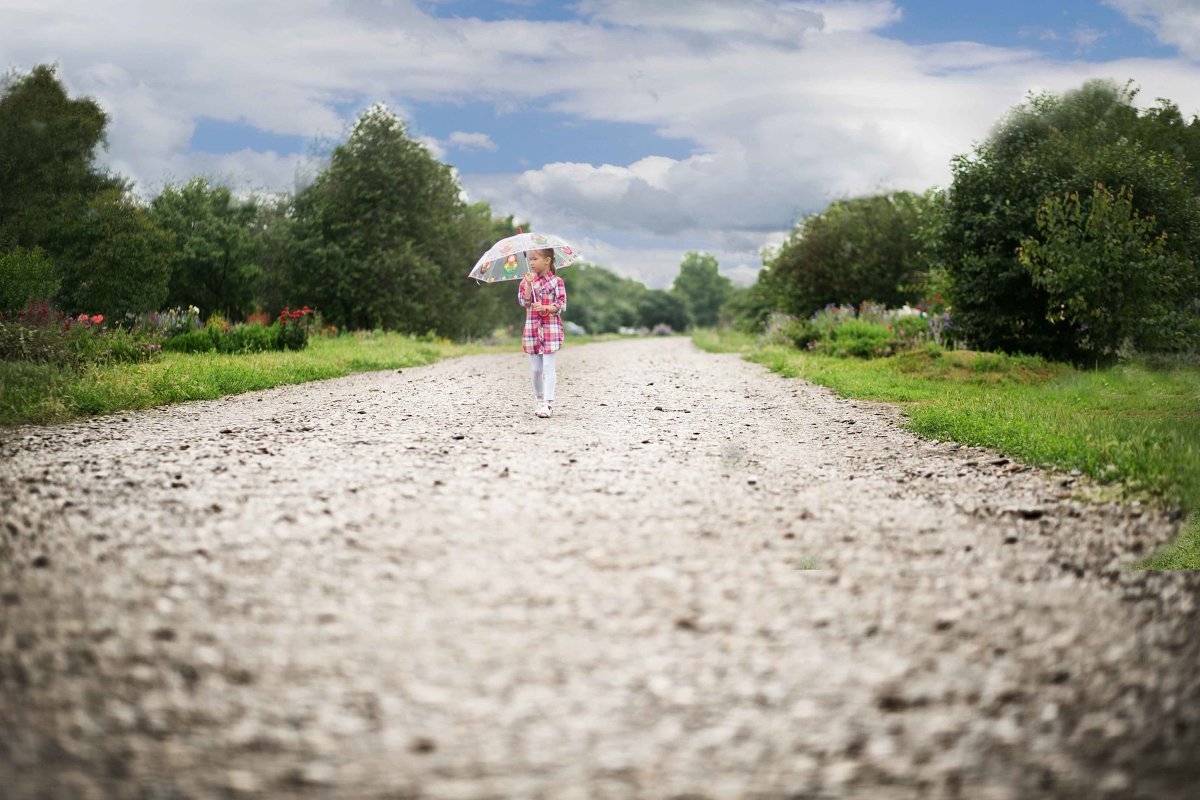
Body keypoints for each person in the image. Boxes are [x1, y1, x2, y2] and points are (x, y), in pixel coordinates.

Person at [518, 248, 567, 418]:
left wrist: (546, 307)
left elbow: (560, 304)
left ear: (547, 260)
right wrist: (529, 285)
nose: (531, 263)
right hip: (532, 328)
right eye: (529, 259)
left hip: (550, 327)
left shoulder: (557, 281)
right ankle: (539, 400)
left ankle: (548, 403)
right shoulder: (526, 281)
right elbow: (524, 302)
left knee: (548, 366)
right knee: (536, 369)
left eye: (535, 259)